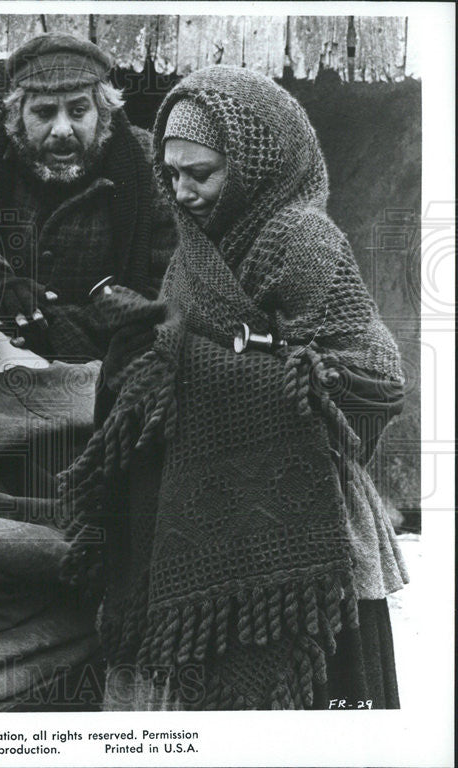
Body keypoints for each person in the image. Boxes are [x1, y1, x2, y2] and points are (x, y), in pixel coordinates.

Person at [61, 66, 407, 710]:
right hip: (196, 504)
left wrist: (206, 361)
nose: (183, 192)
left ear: (255, 165)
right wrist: (148, 338)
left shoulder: (303, 240)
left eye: (202, 174)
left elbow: (374, 376)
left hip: (304, 519)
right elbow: (182, 341)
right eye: (172, 174)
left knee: (318, 709)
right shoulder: (195, 249)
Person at [0, 33, 177, 362]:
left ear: (102, 110)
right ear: (17, 113)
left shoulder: (147, 161)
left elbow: (164, 286)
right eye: (44, 112)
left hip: (109, 360)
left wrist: (58, 331)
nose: (62, 129)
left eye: (78, 110)